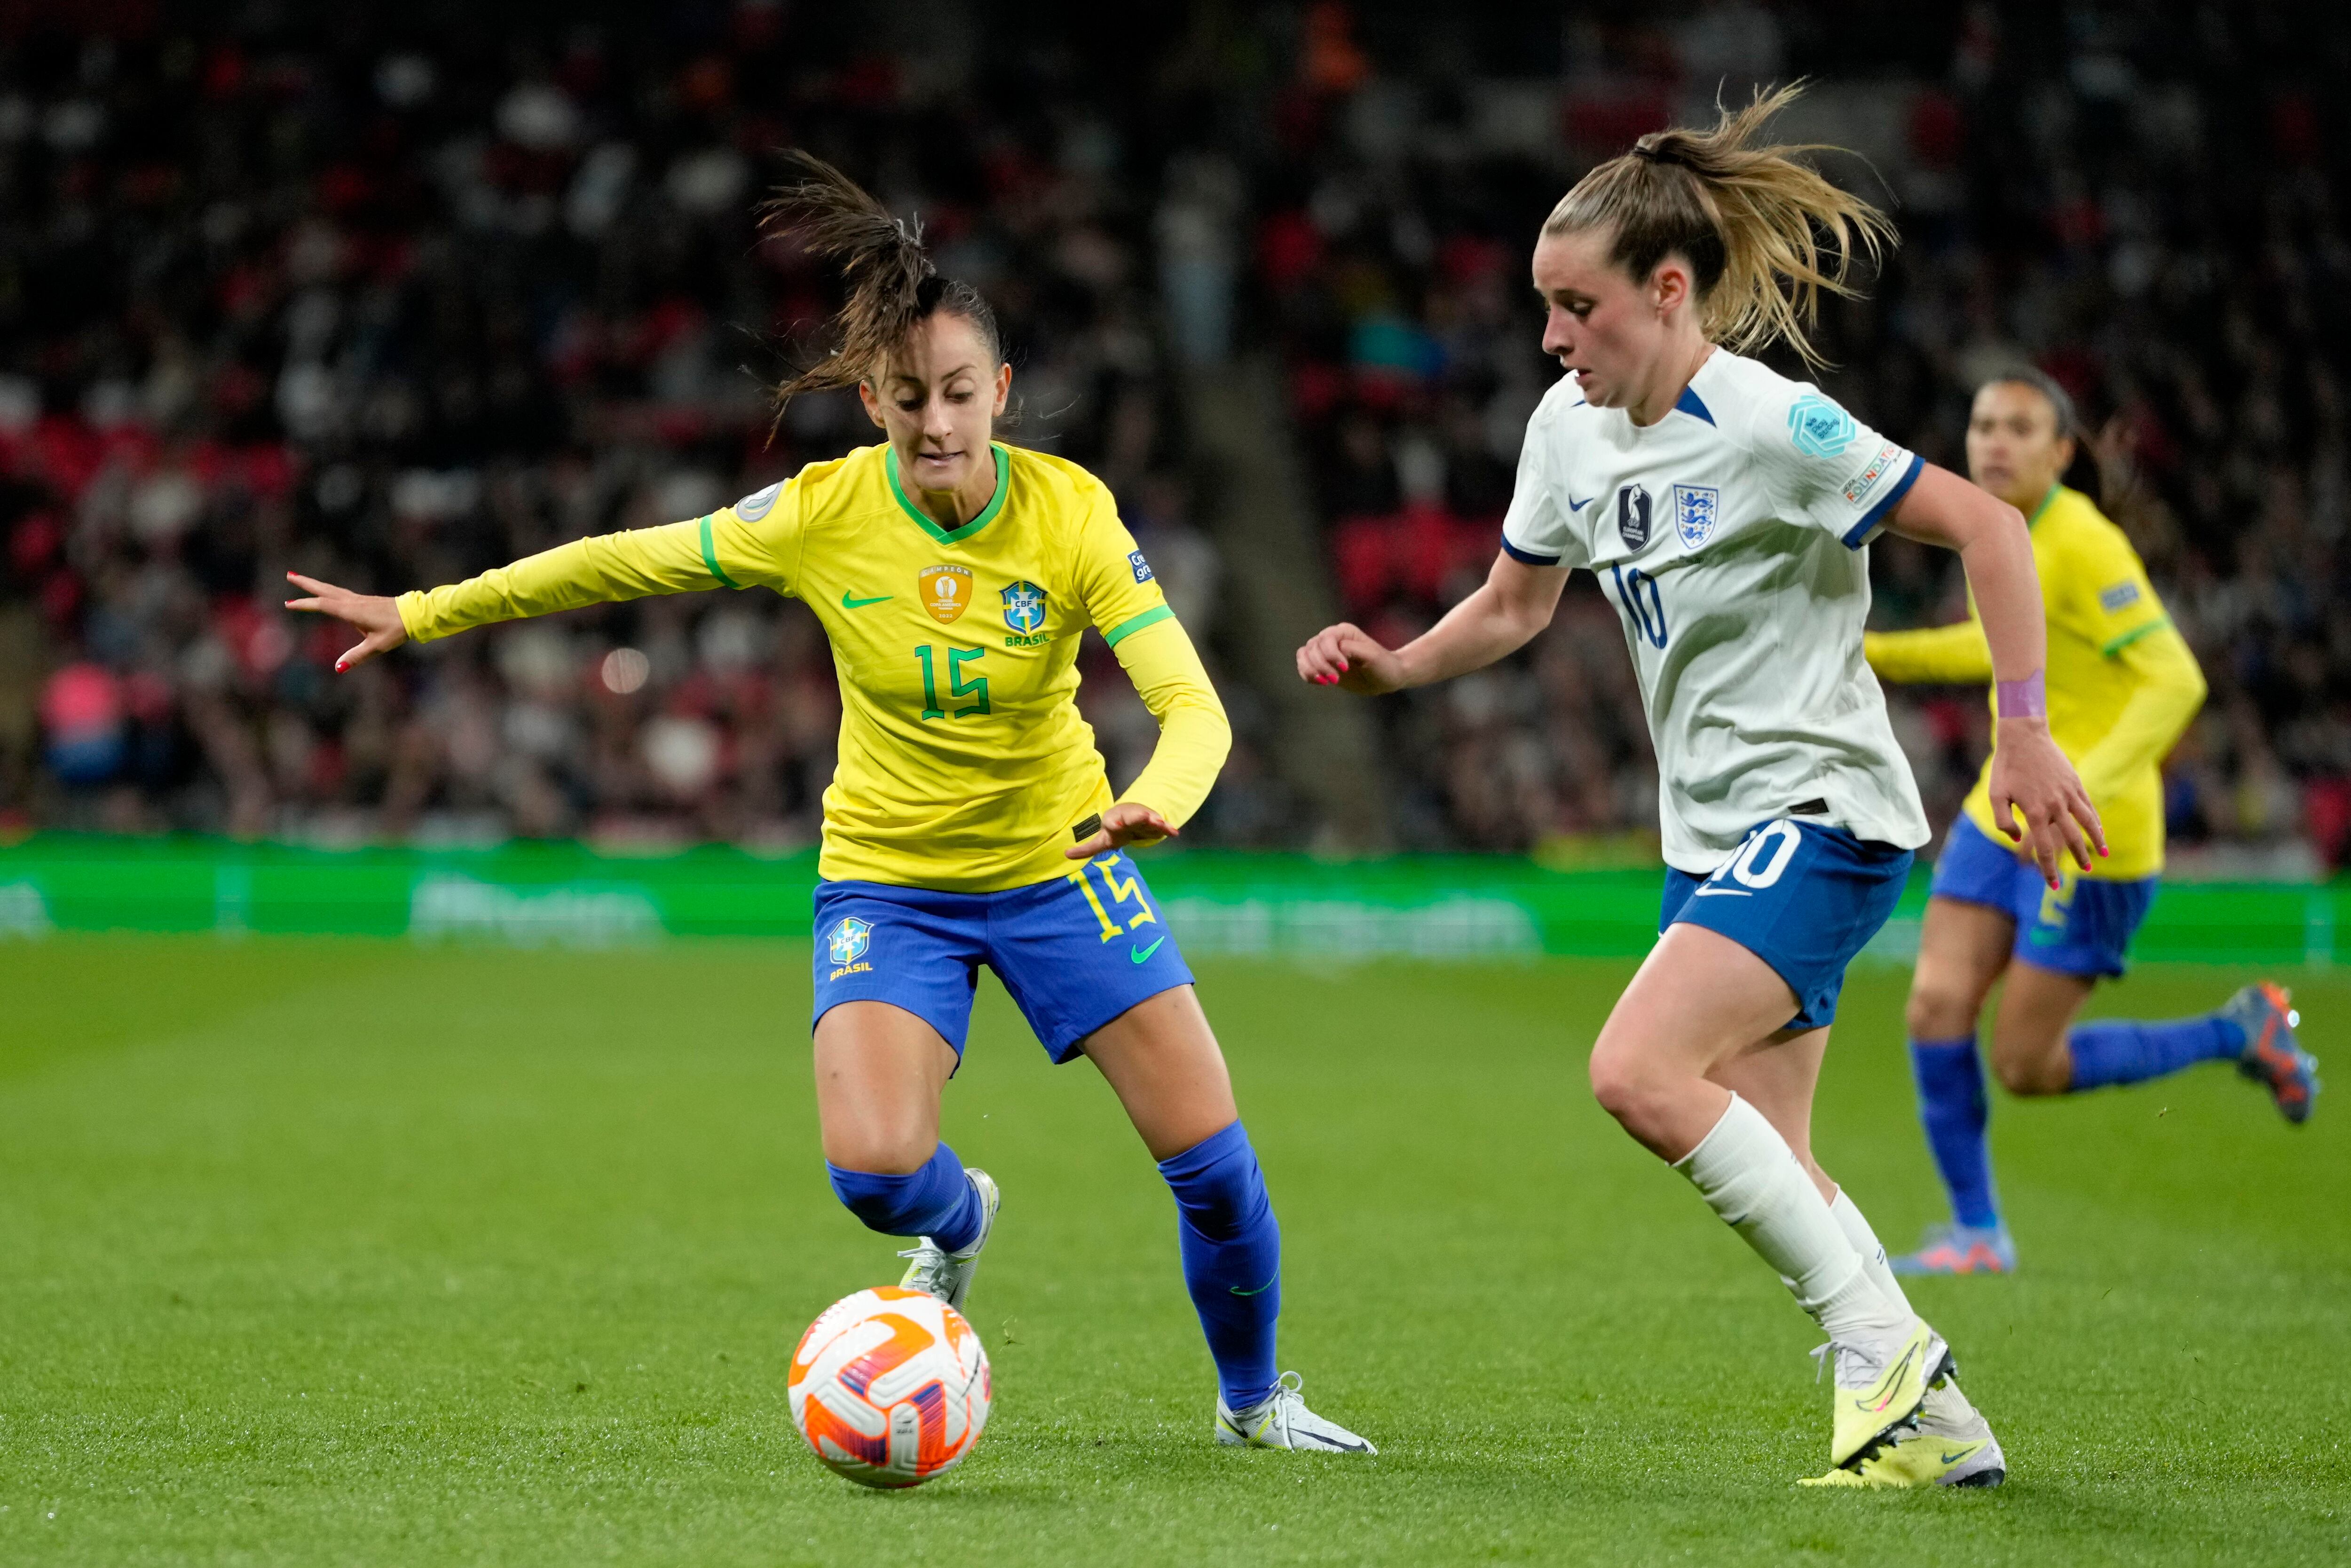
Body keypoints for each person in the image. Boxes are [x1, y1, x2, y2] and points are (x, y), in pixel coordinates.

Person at [288, 153, 1372, 1457]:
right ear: (873, 400)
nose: (937, 425)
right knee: (873, 1177)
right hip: (890, 882)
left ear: (1002, 395)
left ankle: (1254, 1405)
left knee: (1213, 1169)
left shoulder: (1072, 513)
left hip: (1063, 865)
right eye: (909, 399)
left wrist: (1160, 799)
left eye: (962, 395)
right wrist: (424, 610)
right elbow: (623, 563)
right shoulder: (823, 510)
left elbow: (1194, 705)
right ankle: (959, 1220)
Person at [1296, 87, 2104, 1489]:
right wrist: (1398, 669)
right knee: (1778, 1163)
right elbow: (1513, 605)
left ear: (1668, 291)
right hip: (1713, 838)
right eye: (1544, 307)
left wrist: (2021, 730)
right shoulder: (1567, 427)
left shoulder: (1771, 426)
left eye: (1577, 306)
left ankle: (1889, 1360)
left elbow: (1984, 525)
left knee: (1635, 1070)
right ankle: (1932, 1423)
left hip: (1826, 815)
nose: (1552, 338)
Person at [1866, 369, 2318, 1276]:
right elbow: (1990, 643)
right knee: (1933, 1006)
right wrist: (1867, 650)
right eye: (1983, 424)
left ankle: (2239, 1031)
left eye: (2021, 428)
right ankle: (1978, 1234)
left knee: (2027, 1065)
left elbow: (2175, 680)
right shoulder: (2000, 532)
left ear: (2062, 451)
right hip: (2002, 816)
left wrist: (2077, 782)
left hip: (2089, 835)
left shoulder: (2084, 541)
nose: (1994, 442)